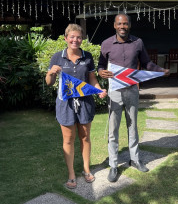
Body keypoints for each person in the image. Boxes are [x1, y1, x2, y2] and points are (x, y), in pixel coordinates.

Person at [98, 13, 169, 182]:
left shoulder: (137, 42)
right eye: (119, 24)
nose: (123, 27)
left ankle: (135, 159)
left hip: (132, 90)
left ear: (129, 25)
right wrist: (101, 72)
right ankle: (114, 165)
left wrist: (160, 70)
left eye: (126, 24)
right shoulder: (106, 43)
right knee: (113, 129)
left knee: (133, 126)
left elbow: (146, 63)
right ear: (114, 26)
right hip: (115, 91)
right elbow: (101, 65)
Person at [46, 24, 107, 189]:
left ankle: (86, 170)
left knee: (85, 137)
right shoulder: (57, 57)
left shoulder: (87, 57)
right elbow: (49, 83)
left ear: (82, 39)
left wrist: (98, 88)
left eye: (79, 37)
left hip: (85, 102)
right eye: (72, 37)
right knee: (68, 139)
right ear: (66, 38)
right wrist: (51, 73)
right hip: (65, 104)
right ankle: (71, 174)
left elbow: (91, 79)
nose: (75, 40)